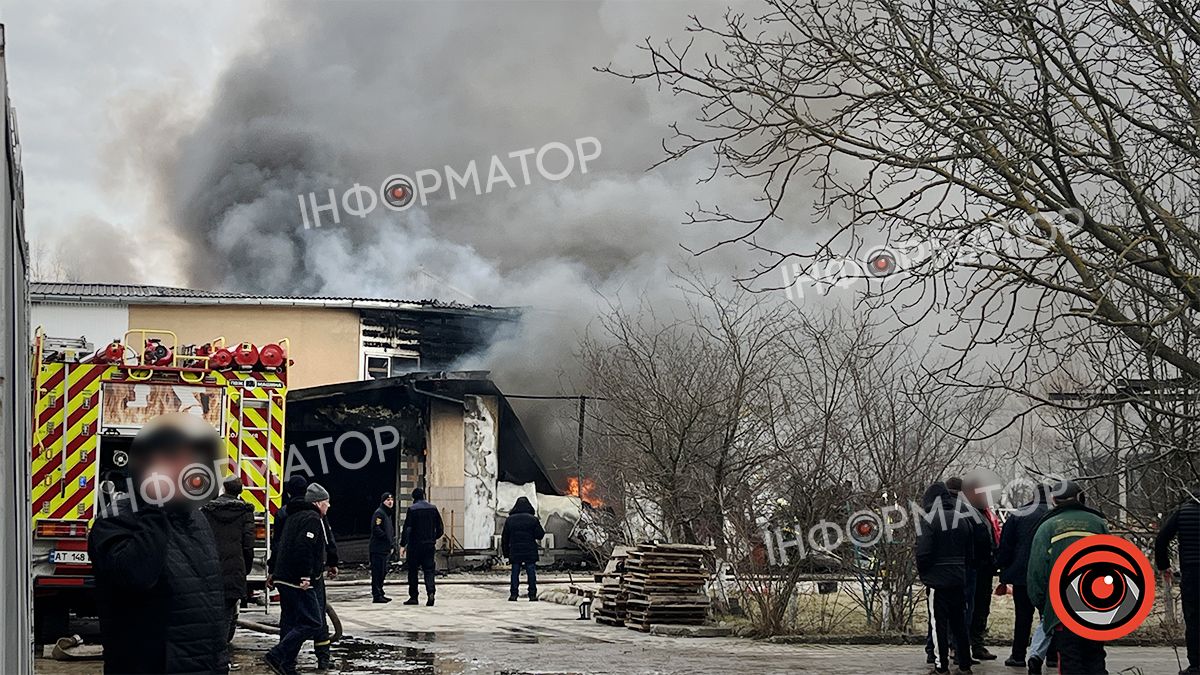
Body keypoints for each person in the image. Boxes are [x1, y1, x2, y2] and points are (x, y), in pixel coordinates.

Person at [89, 412, 227, 674]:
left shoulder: (195, 519)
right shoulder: (116, 520)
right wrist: (155, 505)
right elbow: (136, 576)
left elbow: (207, 605)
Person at [1027, 479, 1109, 675]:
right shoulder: (1099, 524)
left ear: (1054, 500)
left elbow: (1036, 572)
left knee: (1071, 659)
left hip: (1062, 608)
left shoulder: (1047, 527)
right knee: (1096, 657)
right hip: (1095, 604)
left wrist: (1044, 605)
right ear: (1081, 497)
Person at [269, 474, 336, 670]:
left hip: (286, 573)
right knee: (316, 619)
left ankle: (286, 662)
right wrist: (330, 562)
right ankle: (320, 657)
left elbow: (278, 544)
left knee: (289, 618)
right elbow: (316, 543)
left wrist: (273, 569)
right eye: (326, 502)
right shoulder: (314, 516)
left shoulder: (284, 513)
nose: (329, 506)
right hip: (306, 576)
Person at [916, 481, 975, 674]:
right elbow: (970, 553)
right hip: (958, 579)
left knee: (938, 625)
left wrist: (925, 575)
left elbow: (923, 553)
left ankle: (941, 667)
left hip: (937, 582)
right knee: (959, 623)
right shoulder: (963, 518)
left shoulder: (929, 520)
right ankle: (965, 664)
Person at [202, 475, 256, 671]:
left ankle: (210, 656)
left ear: (223, 489)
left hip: (211, 572)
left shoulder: (207, 511)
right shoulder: (246, 512)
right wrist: (245, 569)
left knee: (211, 615)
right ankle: (221, 659)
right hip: (234, 572)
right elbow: (248, 546)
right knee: (227, 617)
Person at [996, 484, 1050, 670]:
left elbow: (1006, 545)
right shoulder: (1054, 515)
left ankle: (1018, 656)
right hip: (1048, 576)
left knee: (1023, 617)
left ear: (1032, 496)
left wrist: (1001, 567)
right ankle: (1051, 656)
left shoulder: (1019, 514)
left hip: (1022, 575)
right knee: (1049, 617)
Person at [1155, 486, 1200, 675]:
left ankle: (1197, 666)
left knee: (1194, 619)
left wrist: (1164, 565)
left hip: (1192, 574)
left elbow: (1161, 539)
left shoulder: (1182, 512)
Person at [962, 477, 1001, 662]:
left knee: (981, 608)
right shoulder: (966, 512)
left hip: (985, 568)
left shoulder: (986, 513)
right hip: (973, 567)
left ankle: (977, 644)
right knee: (969, 607)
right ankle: (962, 646)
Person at [400, 487, 444, 606]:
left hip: (415, 546)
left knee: (413, 571)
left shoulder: (412, 509)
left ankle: (414, 597)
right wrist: (433, 538)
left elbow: (407, 528)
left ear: (413, 497)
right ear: (424, 495)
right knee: (429, 570)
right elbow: (440, 529)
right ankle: (431, 592)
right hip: (429, 545)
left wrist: (403, 544)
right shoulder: (433, 509)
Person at [501, 496, 545, 601]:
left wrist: (506, 553)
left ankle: (514, 594)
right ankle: (532, 594)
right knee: (531, 573)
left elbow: (505, 538)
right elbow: (540, 534)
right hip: (529, 550)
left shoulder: (510, 520)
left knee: (515, 572)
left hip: (515, 550)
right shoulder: (533, 519)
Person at [369, 492, 396, 603]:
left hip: (384, 549)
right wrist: (386, 538)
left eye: (391, 500)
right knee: (377, 572)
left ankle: (380, 592)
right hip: (378, 549)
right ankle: (377, 594)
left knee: (383, 571)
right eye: (387, 500)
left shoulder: (387, 514)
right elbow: (376, 528)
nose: (390, 502)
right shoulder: (379, 513)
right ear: (383, 501)